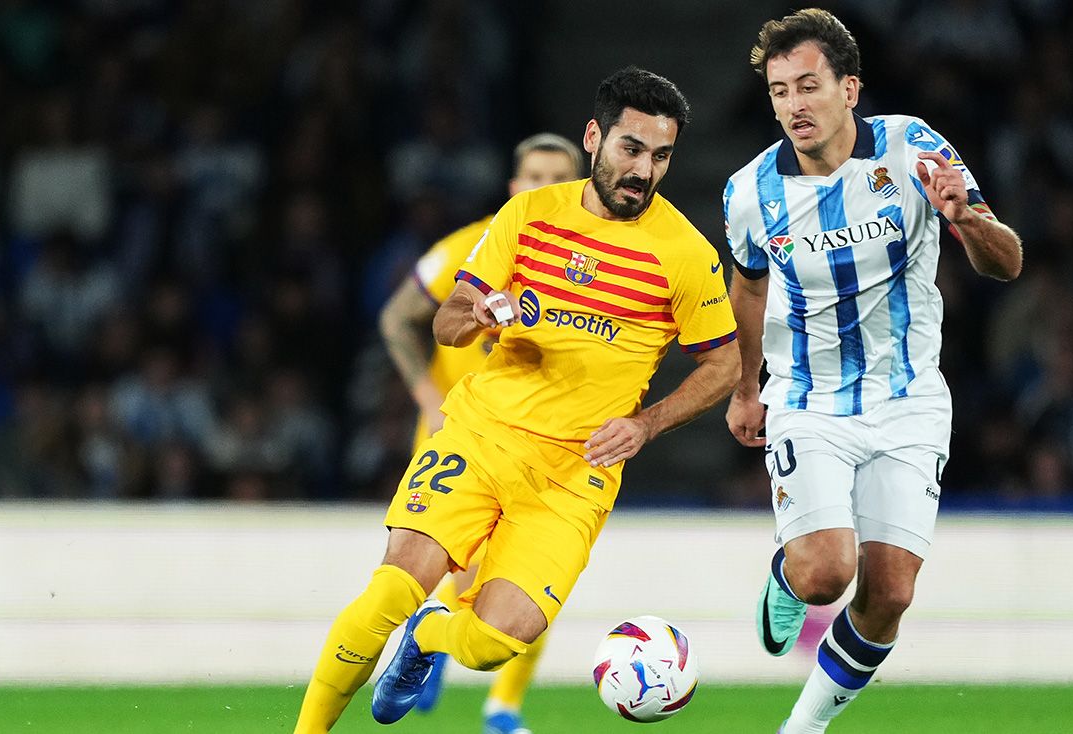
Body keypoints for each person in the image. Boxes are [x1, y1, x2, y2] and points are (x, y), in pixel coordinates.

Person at [294, 66, 740, 733]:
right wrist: (479, 317)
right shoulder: (527, 216)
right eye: (631, 149)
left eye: (661, 155)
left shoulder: (685, 253)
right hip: (481, 436)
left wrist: (647, 426)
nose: (644, 170)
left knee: (495, 642)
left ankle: (430, 638)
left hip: (572, 477)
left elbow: (725, 365)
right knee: (388, 590)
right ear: (595, 137)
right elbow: (445, 319)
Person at [722, 9, 1022, 734]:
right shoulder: (748, 193)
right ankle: (788, 575)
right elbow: (750, 288)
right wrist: (744, 386)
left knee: (888, 593)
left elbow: (1006, 263)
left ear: (849, 88)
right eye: (779, 91)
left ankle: (804, 727)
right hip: (808, 399)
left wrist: (967, 220)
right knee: (827, 572)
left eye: (808, 86)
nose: (794, 105)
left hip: (909, 398)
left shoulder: (914, 149)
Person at [377, 132, 583, 733]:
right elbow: (397, 318)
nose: (545, 189)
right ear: (514, 188)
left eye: (558, 179)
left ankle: (500, 707)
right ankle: (430, 637)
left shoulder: (590, 265)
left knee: (537, 579)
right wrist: (426, 395)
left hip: (544, 444)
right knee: (453, 572)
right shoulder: (470, 247)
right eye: (534, 178)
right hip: (459, 436)